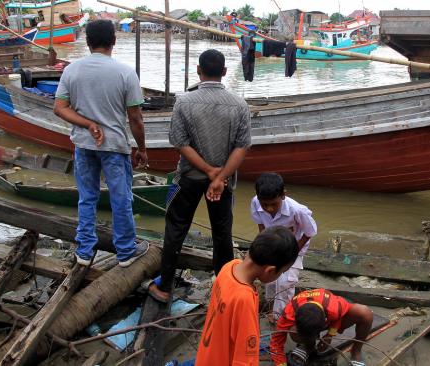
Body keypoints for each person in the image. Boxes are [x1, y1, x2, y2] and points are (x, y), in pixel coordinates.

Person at [148, 49, 251, 302]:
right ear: (224, 72)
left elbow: (179, 142)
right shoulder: (239, 104)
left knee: (175, 229)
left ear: (198, 70)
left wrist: (207, 171)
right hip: (223, 182)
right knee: (222, 234)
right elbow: (242, 147)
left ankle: (164, 287)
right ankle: (224, 289)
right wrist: (219, 177)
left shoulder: (184, 101)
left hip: (190, 178)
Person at [54, 19, 149, 267]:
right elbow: (135, 118)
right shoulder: (125, 72)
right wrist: (142, 148)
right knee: (121, 198)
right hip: (114, 148)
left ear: (87, 42)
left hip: (84, 145)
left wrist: (87, 124)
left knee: (87, 198)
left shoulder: (71, 70)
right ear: (114, 41)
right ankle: (126, 251)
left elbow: (60, 108)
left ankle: (84, 251)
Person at [195, 226, 299, 366]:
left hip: (206, 356)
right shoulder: (244, 299)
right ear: (270, 270)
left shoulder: (229, 267)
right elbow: (245, 359)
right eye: (282, 272)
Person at [250, 173, 317, 322]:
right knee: (270, 279)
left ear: (283, 195)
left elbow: (309, 232)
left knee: (286, 282)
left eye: (273, 204)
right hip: (272, 245)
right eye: (264, 204)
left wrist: (293, 253)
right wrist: (263, 246)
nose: (269, 208)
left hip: (295, 247)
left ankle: (281, 318)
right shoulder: (255, 202)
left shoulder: (297, 210)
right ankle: (270, 306)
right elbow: (261, 225)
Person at [270, 288, 373, 366]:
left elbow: (339, 317)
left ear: (325, 322)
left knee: (364, 313)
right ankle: (307, 346)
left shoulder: (334, 307)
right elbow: (276, 343)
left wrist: (329, 335)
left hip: (331, 315)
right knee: (294, 332)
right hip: (311, 322)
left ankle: (356, 350)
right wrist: (281, 364)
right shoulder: (289, 313)